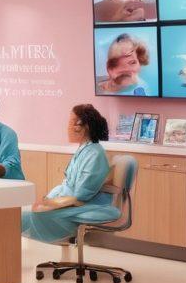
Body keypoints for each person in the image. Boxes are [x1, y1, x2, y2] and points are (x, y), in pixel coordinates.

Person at [21, 104, 117, 243]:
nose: (68, 127)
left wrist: (52, 202)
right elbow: (67, 185)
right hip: (72, 202)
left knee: (28, 215)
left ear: (84, 127)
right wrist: (50, 198)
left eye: (71, 122)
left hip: (84, 206)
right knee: (24, 213)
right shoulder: (84, 150)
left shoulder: (95, 154)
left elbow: (81, 194)